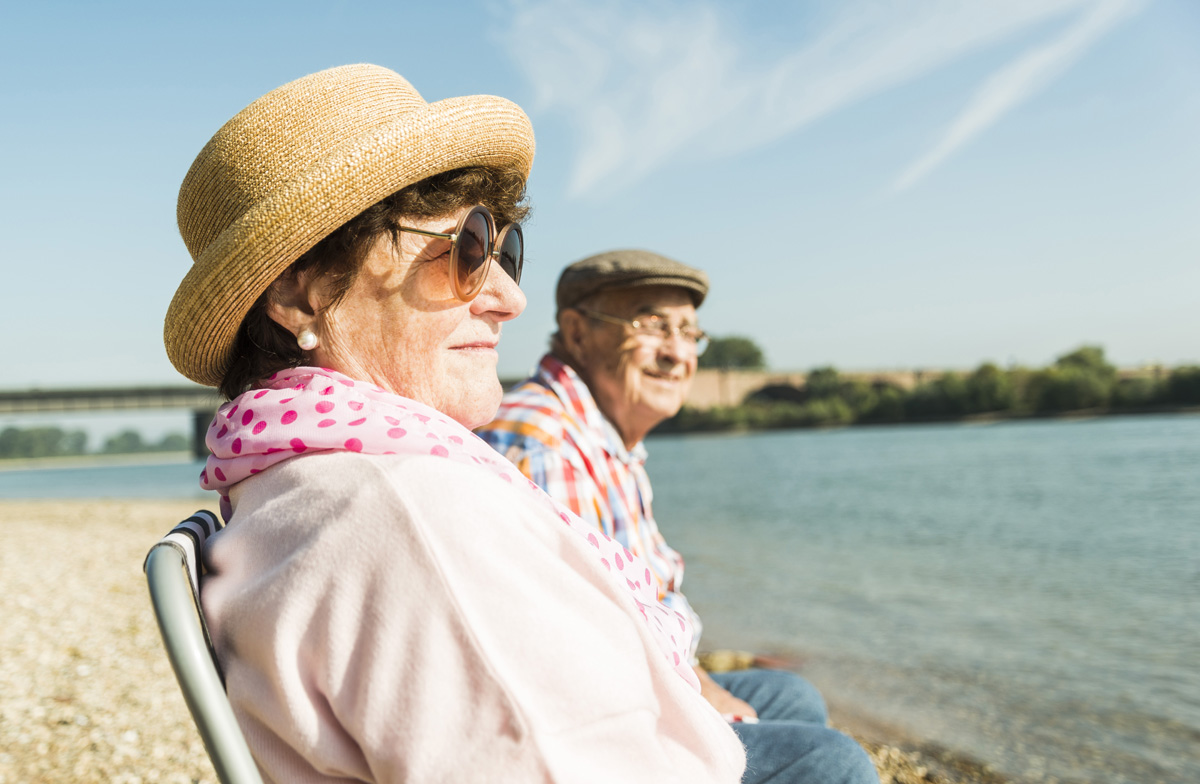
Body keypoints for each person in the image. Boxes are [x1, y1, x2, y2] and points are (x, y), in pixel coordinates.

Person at [163, 64, 745, 783]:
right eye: (466, 249)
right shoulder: (408, 515)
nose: (507, 297)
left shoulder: (295, 484)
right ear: (301, 292)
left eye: (505, 252)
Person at [477, 250, 878, 784]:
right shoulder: (547, 445)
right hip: (584, 728)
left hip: (634, 686)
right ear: (576, 333)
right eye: (652, 325)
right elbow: (582, 655)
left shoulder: (603, 435)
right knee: (832, 762)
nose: (676, 353)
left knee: (792, 695)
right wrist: (701, 693)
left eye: (689, 332)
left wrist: (699, 684)